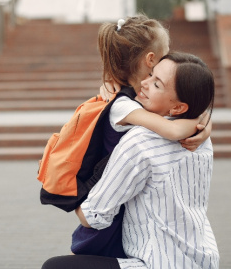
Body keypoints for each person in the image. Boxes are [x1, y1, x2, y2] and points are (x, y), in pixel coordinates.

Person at [41, 52, 219, 269]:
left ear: (178, 108)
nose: (143, 83)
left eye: (156, 84)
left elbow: (93, 216)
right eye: (151, 74)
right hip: (203, 259)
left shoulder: (141, 141)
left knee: (55, 267)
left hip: (156, 263)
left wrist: (69, 194)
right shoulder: (199, 136)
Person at [70, 14, 211, 258]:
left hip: (124, 199)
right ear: (151, 59)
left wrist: (204, 123)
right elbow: (173, 129)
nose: (170, 55)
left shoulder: (136, 99)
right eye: (166, 52)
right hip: (111, 202)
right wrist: (201, 125)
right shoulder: (123, 104)